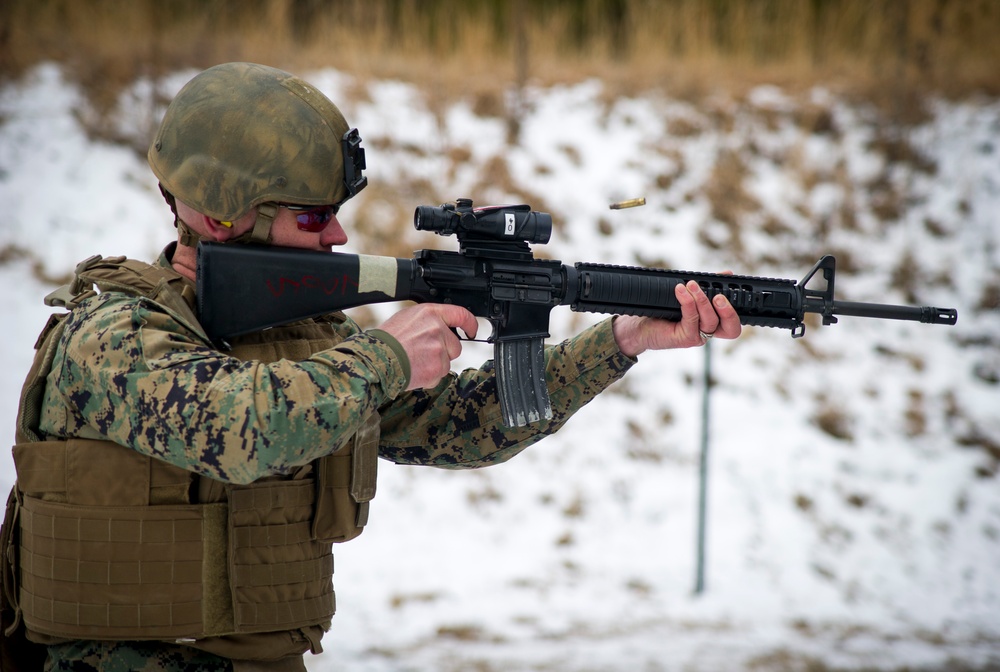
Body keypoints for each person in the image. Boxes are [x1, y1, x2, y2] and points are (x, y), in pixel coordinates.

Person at [0, 62, 741, 671]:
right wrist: (387, 354)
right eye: (314, 217)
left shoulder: (308, 341)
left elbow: (458, 426)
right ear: (221, 216)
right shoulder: (113, 333)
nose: (340, 234)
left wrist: (620, 342)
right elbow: (239, 427)